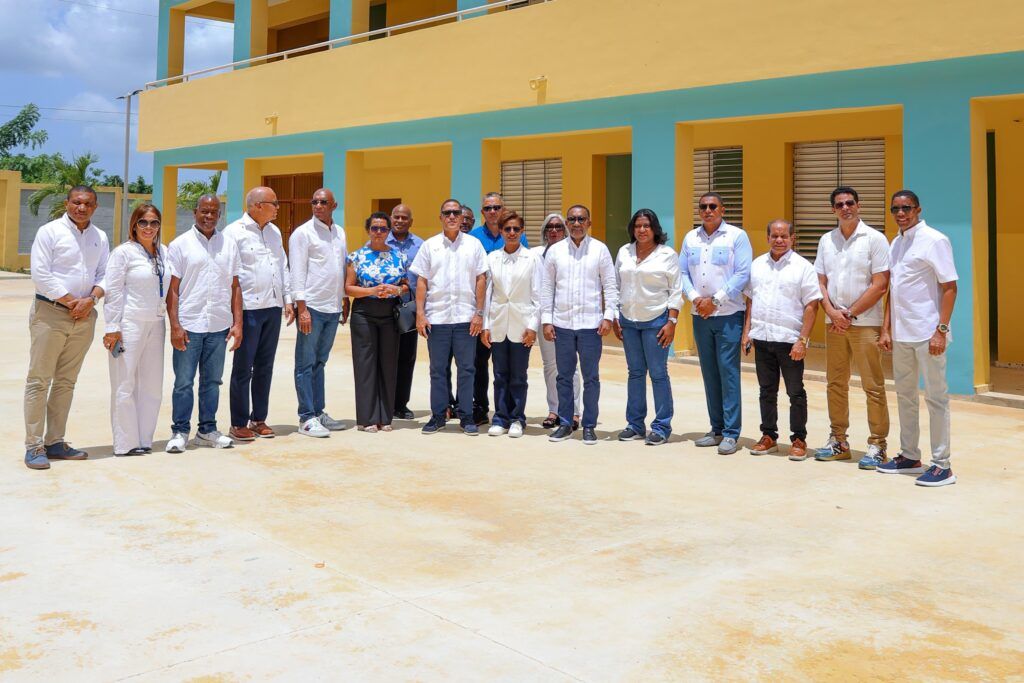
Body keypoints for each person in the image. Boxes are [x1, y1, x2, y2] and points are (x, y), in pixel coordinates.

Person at [877, 190, 959, 486]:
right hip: (902, 334)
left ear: (918, 209)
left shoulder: (935, 240)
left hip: (928, 333)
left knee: (936, 398)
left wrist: (941, 330)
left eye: (907, 208)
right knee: (905, 396)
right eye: (895, 209)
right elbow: (894, 290)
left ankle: (942, 465)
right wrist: (886, 328)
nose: (901, 213)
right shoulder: (896, 243)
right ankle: (910, 456)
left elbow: (950, 287)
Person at [24, 185, 108, 470]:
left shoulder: (100, 237)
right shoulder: (49, 232)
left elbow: (105, 274)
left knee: (66, 381)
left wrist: (91, 300)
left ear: (95, 207)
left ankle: (55, 442)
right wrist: (73, 302)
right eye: (76, 202)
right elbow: (40, 274)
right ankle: (34, 445)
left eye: (87, 204)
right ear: (66, 203)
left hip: (84, 318)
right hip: (50, 314)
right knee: (39, 380)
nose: (81, 208)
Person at [812, 186, 891, 469]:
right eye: (839, 204)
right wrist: (833, 313)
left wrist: (849, 314)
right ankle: (838, 441)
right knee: (835, 383)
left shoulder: (875, 239)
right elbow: (820, 282)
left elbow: (880, 284)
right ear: (832, 209)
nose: (845, 208)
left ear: (858, 205)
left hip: (865, 323)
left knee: (873, 386)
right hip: (834, 324)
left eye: (849, 203)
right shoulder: (826, 240)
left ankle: (878, 445)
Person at [165, 195, 243, 452]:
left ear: (220, 215)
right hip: (189, 325)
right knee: (184, 382)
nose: (209, 216)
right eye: (204, 211)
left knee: (212, 382)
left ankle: (207, 430)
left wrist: (238, 323)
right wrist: (175, 326)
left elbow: (235, 286)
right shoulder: (180, 245)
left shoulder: (229, 245)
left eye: (214, 212)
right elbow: (173, 290)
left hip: (219, 325)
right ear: (195, 212)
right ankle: (180, 432)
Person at [741, 220, 822, 461]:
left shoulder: (803, 267)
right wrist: (746, 332)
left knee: (795, 393)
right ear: (767, 238)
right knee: (766, 391)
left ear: (792, 238)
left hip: (789, 341)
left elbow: (812, 305)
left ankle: (798, 439)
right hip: (763, 338)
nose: (779, 240)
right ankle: (769, 436)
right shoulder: (757, 265)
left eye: (784, 236)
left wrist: (802, 340)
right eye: (774, 236)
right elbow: (751, 301)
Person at [679, 192, 752, 455]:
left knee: (728, 373)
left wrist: (716, 300)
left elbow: (742, 273)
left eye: (713, 206)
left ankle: (731, 433)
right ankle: (717, 429)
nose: (708, 210)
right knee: (709, 373)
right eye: (703, 207)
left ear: (723, 209)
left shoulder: (736, 236)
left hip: (729, 315)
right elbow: (682, 273)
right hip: (700, 316)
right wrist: (696, 299)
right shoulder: (691, 238)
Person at [541, 204, 618, 445]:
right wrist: (546, 320)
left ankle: (589, 425)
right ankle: (565, 423)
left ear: (589, 222)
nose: (576, 224)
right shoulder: (555, 251)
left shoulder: (600, 249)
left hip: (590, 325)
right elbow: (547, 288)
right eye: (572, 220)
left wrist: (608, 316)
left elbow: (610, 286)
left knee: (591, 377)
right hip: (562, 324)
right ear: (567, 223)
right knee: (564, 377)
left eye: (581, 219)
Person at [410, 198, 488, 435]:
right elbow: (422, 281)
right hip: (438, 319)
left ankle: (466, 416)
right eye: (447, 213)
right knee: (438, 370)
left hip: (466, 319)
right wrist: (420, 314)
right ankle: (438, 416)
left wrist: (479, 314)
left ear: (462, 217)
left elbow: (481, 279)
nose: (452, 216)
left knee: (467, 369)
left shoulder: (474, 245)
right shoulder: (430, 246)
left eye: (456, 213)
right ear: (441, 217)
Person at [223, 187, 293, 441]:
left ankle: (258, 419)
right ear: (257, 205)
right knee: (243, 368)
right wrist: (234, 316)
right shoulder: (233, 233)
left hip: (272, 307)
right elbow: (229, 275)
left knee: (265, 366)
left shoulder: (274, 232)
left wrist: (287, 299)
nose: (278, 207)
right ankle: (238, 422)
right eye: (274, 203)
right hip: (248, 309)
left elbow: (282, 266)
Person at [102, 203, 168, 457]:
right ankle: (125, 443)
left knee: (152, 383)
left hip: (157, 323)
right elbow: (113, 291)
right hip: (129, 323)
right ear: (134, 225)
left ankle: (144, 439)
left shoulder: (164, 252)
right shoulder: (123, 253)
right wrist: (112, 327)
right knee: (124, 382)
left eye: (154, 223)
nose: (149, 227)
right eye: (143, 222)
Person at [613, 208, 682, 446]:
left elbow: (676, 290)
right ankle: (635, 425)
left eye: (646, 226)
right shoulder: (624, 251)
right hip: (628, 320)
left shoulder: (667, 254)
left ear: (655, 229)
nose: (642, 230)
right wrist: (615, 316)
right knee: (635, 373)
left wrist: (672, 322)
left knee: (658, 373)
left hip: (656, 321)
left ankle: (661, 427)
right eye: (638, 226)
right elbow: (616, 285)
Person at [289, 188, 349, 437]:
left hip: (332, 307)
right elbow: (297, 272)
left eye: (323, 202)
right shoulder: (302, 233)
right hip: (312, 308)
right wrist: (301, 308)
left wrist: (344, 299)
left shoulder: (340, 232)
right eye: (314, 201)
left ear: (334, 205)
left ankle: (318, 411)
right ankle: (306, 417)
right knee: (305, 364)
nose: (318, 205)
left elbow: (341, 267)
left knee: (320, 362)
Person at [481, 210, 543, 438]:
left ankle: (517, 418)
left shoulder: (532, 258)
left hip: (522, 324)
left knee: (518, 375)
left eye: (516, 229)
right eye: (507, 229)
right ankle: (500, 418)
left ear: (522, 231)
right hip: (498, 323)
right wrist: (486, 325)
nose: (512, 232)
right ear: (500, 231)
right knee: (499, 374)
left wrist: (533, 326)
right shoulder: (492, 258)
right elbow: (488, 295)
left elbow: (538, 296)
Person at [469, 192, 530, 425]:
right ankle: (481, 408)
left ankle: (514, 415)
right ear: (482, 212)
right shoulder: (474, 238)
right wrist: (481, 317)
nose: (492, 211)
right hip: (486, 314)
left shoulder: (521, 242)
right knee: (480, 365)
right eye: (488, 208)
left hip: (515, 319)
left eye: (496, 207)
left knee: (514, 371)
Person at [346, 212, 410, 432]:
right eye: (375, 228)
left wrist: (396, 290)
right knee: (365, 364)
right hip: (364, 313)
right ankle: (367, 418)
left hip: (390, 313)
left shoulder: (399, 256)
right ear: (368, 230)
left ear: (389, 231)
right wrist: (371, 291)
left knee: (388, 364)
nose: (379, 232)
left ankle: (385, 417)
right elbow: (348, 288)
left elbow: (406, 285)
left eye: (383, 228)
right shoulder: (356, 257)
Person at [531, 214, 581, 430]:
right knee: (550, 365)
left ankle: (575, 411)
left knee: (570, 366)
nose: (554, 231)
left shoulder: (573, 252)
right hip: (545, 318)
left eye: (558, 227)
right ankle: (555, 409)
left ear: (565, 230)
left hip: (568, 317)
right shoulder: (535, 254)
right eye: (549, 227)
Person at [388, 203, 423, 420]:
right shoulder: (379, 239)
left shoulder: (420, 245)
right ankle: (385, 402)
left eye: (404, 218)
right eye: (396, 216)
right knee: (385, 356)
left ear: (411, 221)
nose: (400, 220)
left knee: (407, 357)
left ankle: (401, 404)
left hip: (409, 308)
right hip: (384, 306)